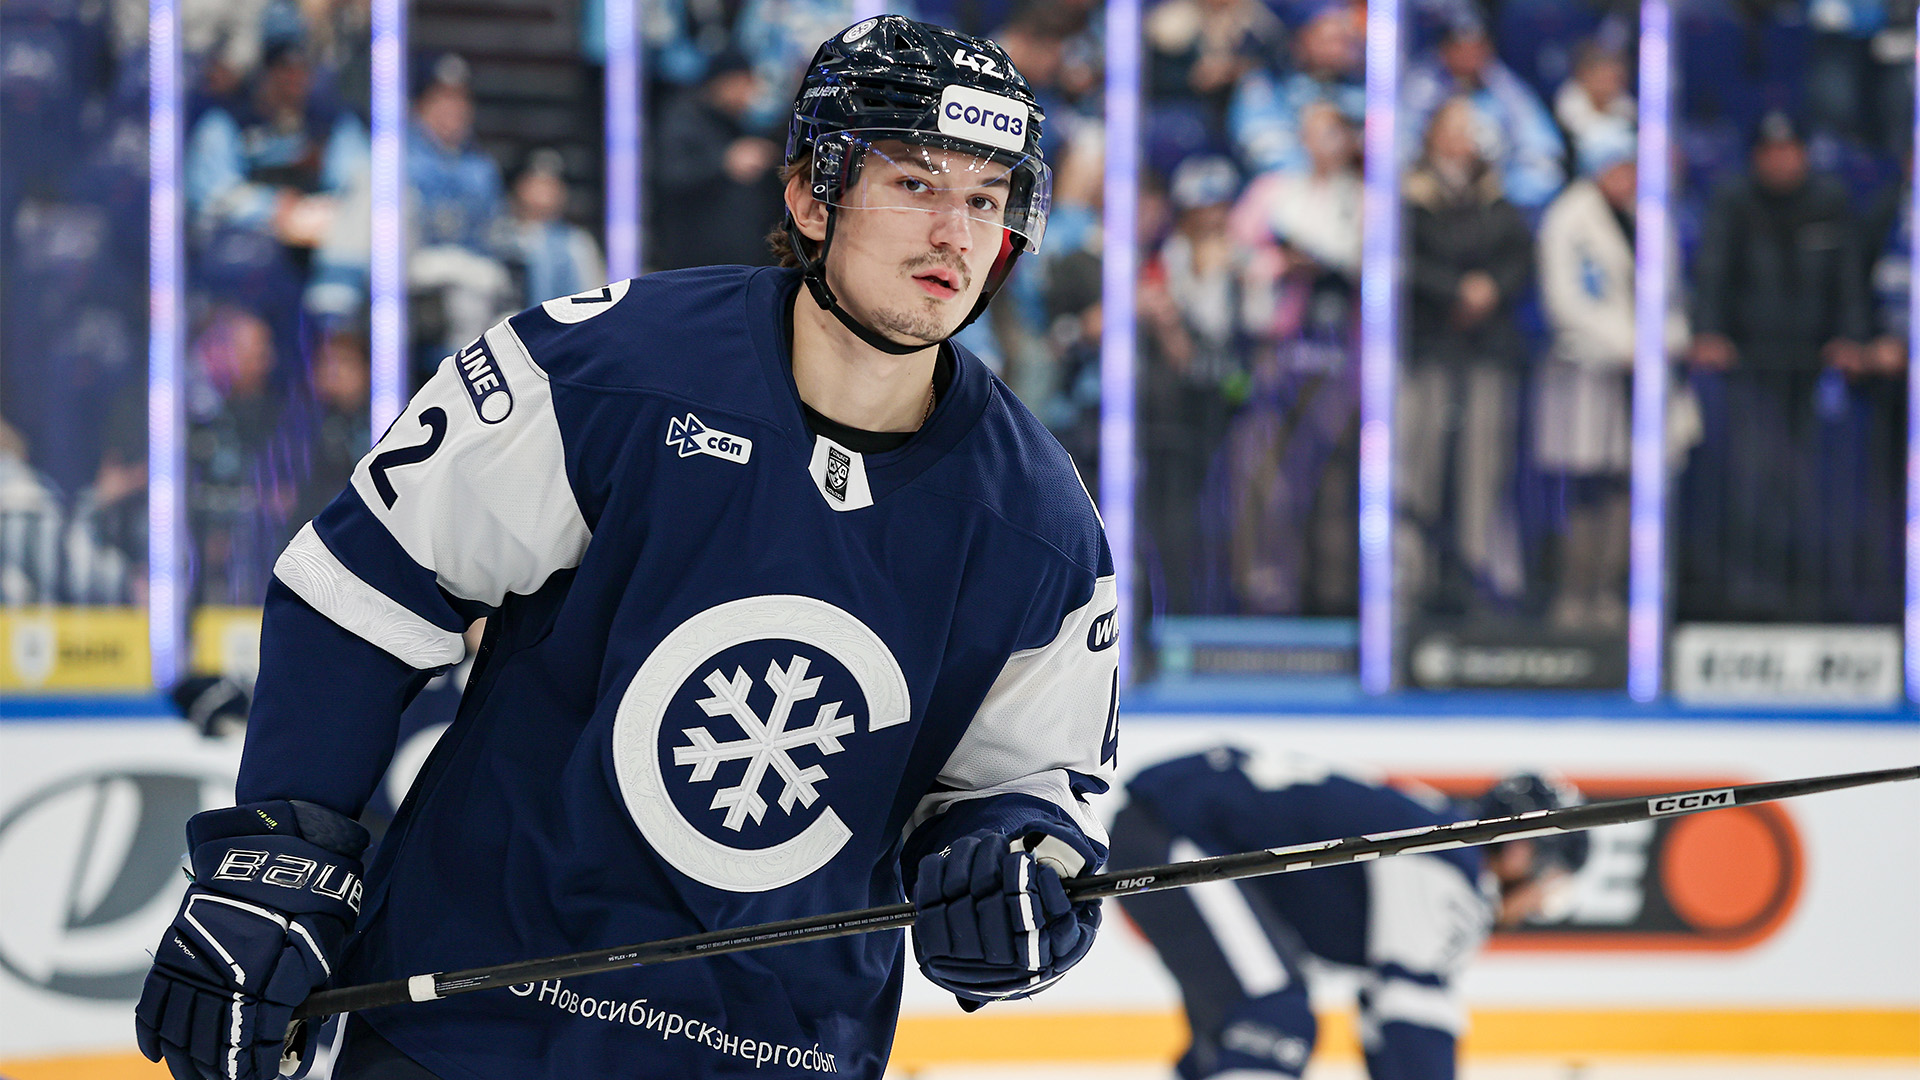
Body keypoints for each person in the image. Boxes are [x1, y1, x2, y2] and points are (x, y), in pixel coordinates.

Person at [135, 16, 1117, 1080]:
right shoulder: (604, 369)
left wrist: (1005, 880)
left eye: (987, 199)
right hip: (477, 1030)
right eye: (916, 184)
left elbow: (1022, 790)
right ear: (810, 194)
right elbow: (367, 591)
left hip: (774, 1055)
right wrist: (278, 857)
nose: (956, 234)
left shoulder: (1040, 523)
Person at [1115, 746, 1588, 1080]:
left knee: (1236, 1037)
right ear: (1522, 855)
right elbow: (1413, 1013)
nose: (1537, 907)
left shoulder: (1438, 833)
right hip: (1174, 832)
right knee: (1274, 1021)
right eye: (1550, 890)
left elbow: (1387, 1015)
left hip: (1170, 824)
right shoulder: (1454, 865)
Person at [1533, 123, 1691, 631]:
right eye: (1621, 168)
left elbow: (1672, 297)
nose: (1630, 178)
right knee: (1585, 487)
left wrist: (1666, 342)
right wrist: (1627, 347)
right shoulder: (1568, 218)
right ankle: (1572, 597)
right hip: (1587, 371)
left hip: (1644, 374)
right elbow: (1565, 301)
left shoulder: (1650, 216)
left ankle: (1611, 595)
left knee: (1632, 485)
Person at [1398, 96, 1533, 617]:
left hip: (1486, 353)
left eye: (1470, 130)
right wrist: (1456, 290)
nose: (1463, 140)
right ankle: (1408, 582)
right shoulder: (1410, 197)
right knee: (1417, 470)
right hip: (1426, 351)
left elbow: (1519, 261)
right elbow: (1403, 263)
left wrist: (1489, 290)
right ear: (1432, 136)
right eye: (1453, 129)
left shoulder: (1496, 199)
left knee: (1483, 470)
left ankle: (1478, 576)